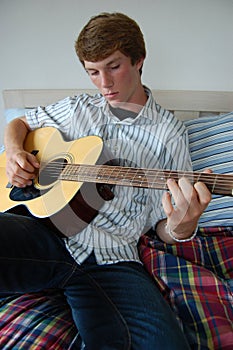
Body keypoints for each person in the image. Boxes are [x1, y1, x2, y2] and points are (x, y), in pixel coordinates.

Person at [0, 12, 211, 349]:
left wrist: (183, 225)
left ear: (139, 59)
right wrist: (13, 152)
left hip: (111, 258)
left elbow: (165, 228)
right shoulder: (77, 108)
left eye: (114, 67)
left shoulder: (170, 133)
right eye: (93, 72)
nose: (104, 84)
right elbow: (20, 124)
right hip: (42, 230)